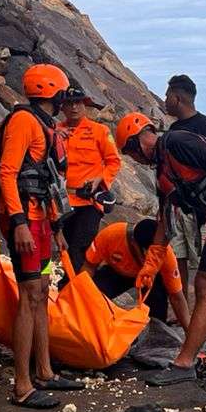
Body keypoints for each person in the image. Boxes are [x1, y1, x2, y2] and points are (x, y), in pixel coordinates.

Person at [115, 112, 206, 385]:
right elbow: (165, 219)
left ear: (140, 138)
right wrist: (150, 265)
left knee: (205, 287)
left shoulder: (177, 142)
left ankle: (183, 363)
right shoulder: (163, 170)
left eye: (131, 152)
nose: (135, 159)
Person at [0, 64, 83, 408]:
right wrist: (17, 223)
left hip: (41, 222)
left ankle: (44, 371)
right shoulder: (24, 122)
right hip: (25, 223)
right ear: (54, 93)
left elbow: (47, 182)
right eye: (63, 93)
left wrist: (56, 228)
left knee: (42, 290)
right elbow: (7, 172)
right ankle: (22, 385)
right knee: (30, 294)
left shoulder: (44, 125)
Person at [161, 73, 206, 297]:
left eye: (167, 95)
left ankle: (204, 303)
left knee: (203, 260)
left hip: (203, 206)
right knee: (178, 256)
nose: (165, 99)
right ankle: (182, 303)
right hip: (179, 205)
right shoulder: (173, 130)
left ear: (178, 98)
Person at [57, 82, 121, 272]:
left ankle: (78, 289)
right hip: (62, 201)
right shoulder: (55, 131)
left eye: (78, 102)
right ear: (63, 107)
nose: (74, 107)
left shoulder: (99, 131)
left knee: (81, 249)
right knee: (64, 249)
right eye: (69, 103)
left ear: (85, 105)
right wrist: (53, 134)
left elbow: (114, 162)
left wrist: (101, 179)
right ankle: (67, 287)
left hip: (88, 203)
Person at [86, 218, 191, 328]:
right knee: (93, 292)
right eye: (145, 254)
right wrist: (81, 296)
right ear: (133, 242)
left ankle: (155, 329)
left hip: (150, 280)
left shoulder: (165, 255)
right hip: (117, 273)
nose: (149, 259)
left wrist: (189, 333)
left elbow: (177, 297)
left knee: (157, 314)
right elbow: (89, 267)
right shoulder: (112, 235)